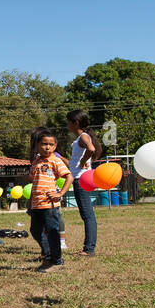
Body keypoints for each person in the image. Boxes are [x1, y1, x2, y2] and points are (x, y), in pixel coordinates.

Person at [28, 129, 72, 272]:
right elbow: (34, 181)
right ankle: (48, 255)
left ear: (55, 146)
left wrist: (60, 193)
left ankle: (56, 261)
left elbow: (69, 177)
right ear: (37, 145)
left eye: (51, 144)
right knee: (35, 230)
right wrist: (31, 202)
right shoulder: (36, 161)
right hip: (36, 204)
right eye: (44, 144)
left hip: (50, 204)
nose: (47, 147)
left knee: (52, 231)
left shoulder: (55, 161)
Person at [66, 109, 99, 257]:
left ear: (75, 123)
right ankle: (88, 248)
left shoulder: (83, 137)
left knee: (87, 215)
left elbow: (91, 149)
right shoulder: (79, 139)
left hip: (81, 180)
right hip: (79, 178)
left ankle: (89, 249)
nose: (67, 125)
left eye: (68, 122)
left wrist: (85, 161)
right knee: (86, 214)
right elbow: (75, 163)